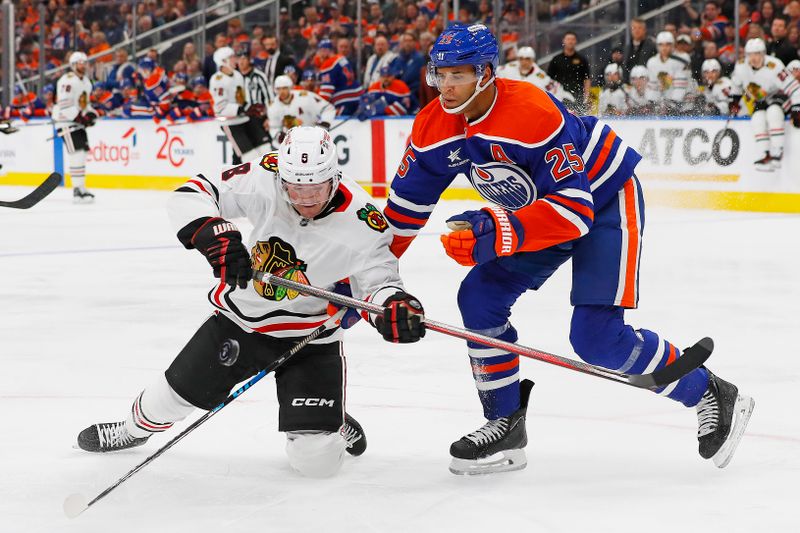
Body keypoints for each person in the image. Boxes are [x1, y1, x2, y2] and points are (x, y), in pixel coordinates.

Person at [382, 23, 754, 475]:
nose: (446, 85)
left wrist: (498, 229)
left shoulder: (530, 112)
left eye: (458, 74)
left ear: (485, 73)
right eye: (440, 73)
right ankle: (505, 422)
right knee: (478, 298)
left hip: (602, 200)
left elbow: (574, 210)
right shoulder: (432, 128)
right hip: (541, 212)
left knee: (596, 339)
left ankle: (708, 391)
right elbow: (399, 218)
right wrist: (367, 286)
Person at [76, 126, 426, 478]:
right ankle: (130, 431)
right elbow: (191, 193)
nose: (304, 197)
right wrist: (214, 235)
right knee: (166, 400)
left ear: (334, 177)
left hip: (311, 337)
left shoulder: (365, 222)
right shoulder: (264, 176)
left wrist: (395, 307)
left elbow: (379, 284)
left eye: (316, 188)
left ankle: (328, 421)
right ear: (282, 176)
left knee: (316, 464)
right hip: (242, 321)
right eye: (295, 187)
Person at [730, 38, 800, 171]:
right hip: (762, 99)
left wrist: (797, 108)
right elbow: (736, 85)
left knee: (773, 112)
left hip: (781, 96)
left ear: (764, 54)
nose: (754, 58)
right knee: (757, 118)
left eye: (757, 54)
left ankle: (777, 152)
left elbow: (795, 89)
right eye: (750, 54)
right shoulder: (740, 66)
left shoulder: (775, 65)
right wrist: (734, 101)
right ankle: (765, 154)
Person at [210, 46, 271, 165]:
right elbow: (220, 108)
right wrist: (242, 109)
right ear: (223, 61)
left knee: (266, 149)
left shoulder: (237, 75)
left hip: (244, 119)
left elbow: (241, 99)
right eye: (232, 57)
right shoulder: (217, 80)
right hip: (230, 123)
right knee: (249, 157)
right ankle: (248, 182)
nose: (235, 60)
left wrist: (250, 107)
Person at [54, 51, 97, 203]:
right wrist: (80, 117)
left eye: (85, 62)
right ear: (73, 65)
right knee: (77, 155)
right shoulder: (67, 80)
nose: (83, 65)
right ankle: (77, 189)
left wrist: (91, 114)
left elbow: (85, 103)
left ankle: (81, 187)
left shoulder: (86, 81)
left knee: (82, 155)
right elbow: (64, 105)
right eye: (80, 62)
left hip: (77, 123)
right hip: (67, 123)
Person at [267, 75, 335, 144]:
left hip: (313, 138)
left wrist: (325, 123)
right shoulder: (273, 107)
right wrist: (278, 135)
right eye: (278, 89)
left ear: (290, 87)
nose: (281, 92)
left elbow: (327, 108)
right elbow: (274, 127)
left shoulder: (305, 96)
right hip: (292, 143)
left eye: (284, 88)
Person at [497, 46, 574, 105]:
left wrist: (566, 98)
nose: (524, 62)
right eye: (521, 58)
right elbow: (495, 73)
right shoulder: (508, 68)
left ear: (532, 60)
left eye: (527, 59)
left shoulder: (540, 76)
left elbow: (556, 89)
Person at [646, 31, 691, 115]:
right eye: (661, 45)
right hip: (663, 103)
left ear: (673, 45)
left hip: (684, 103)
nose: (664, 48)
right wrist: (652, 103)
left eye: (668, 44)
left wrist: (672, 105)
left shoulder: (682, 59)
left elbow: (681, 88)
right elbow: (652, 87)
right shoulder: (652, 62)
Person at [546, 31, 591, 112]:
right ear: (563, 41)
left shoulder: (582, 60)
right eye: (568, 39)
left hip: (577, 97)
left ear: (576, 41)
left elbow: (587, 79)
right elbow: (549, 79)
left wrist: (586, 98)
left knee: (578, 121)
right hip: (559, 97)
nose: (570, 41)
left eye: (573, 39)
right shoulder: (556, 59)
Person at [623, 18, 657, 82]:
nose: (636, 30)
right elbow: (625, 68)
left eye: (639, 28)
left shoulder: (652, 47)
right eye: (634, 28)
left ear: (644, 30)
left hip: (647, 84)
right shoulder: (626, 48)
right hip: (629, 86)